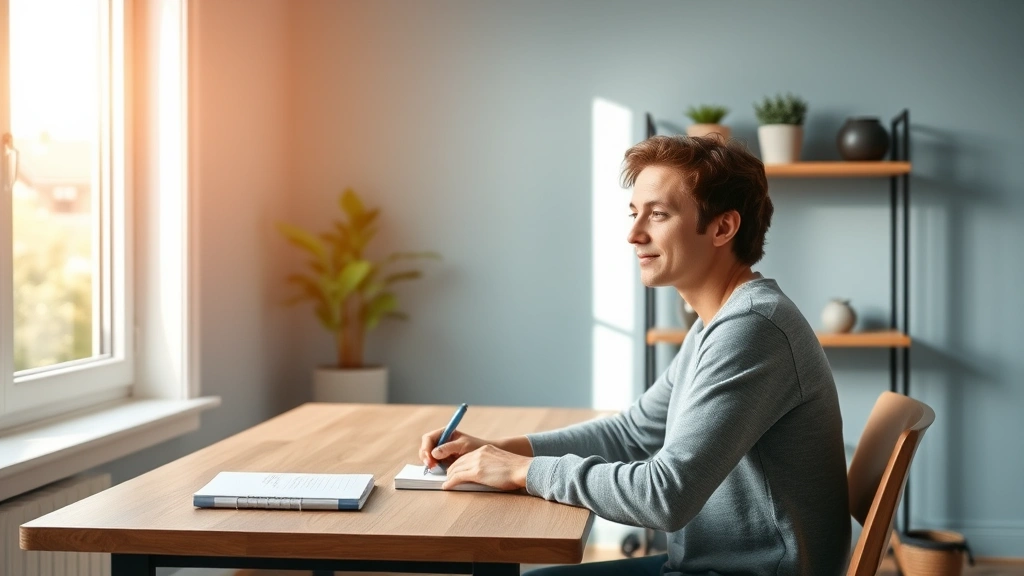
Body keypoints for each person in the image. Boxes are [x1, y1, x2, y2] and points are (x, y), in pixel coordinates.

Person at [419, 135, 851, 576]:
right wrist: (498, 451)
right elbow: (632, 432)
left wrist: (523, 472)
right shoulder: (716, 323)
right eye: (634, 213)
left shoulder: (753, 328)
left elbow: (665, 496)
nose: (634, 234)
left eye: (658, 214)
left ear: (723, 228)